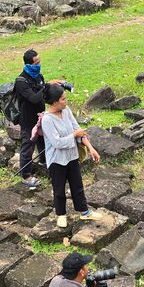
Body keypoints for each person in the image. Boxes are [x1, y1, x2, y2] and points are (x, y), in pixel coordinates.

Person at [41, 82, 102, 228]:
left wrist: (91, 148)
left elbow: (78, 129)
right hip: (56, 159)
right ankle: (61, 214)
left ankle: (84, 211)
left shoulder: (66, 110)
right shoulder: (47, 120)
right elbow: (57, 143)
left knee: (77, 185)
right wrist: (74, 135)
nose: (66, 101)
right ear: (54, 102)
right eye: (63, 99)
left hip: (72, 155)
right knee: (59, 188)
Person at [14, 49, 62, 189]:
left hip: (41, 115)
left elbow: (43, 95)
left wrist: (53, 89)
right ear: (29, 65)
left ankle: (44, 162)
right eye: (36, 63)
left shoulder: (38, 76)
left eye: (40, 61)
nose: (39, 65)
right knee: (28, 145)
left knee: (43, 140)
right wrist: (46, 86)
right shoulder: (21, 81)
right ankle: (26, 175)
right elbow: (34, 98)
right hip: (28, 119)